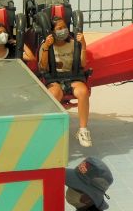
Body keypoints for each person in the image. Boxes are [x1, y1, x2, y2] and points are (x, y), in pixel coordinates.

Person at [39, 17, 93, 148]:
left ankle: (83, 130)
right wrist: (46, 47)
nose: (63, 31)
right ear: (52, 31)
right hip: (54, 79)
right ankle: (51, 130)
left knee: (83, 92)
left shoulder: (74, 43)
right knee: (54, 94)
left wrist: (83, 45)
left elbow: (83, 63)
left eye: (64, 27)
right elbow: (42, 66)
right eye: (59, 29)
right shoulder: (46, 45)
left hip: (73, 77)